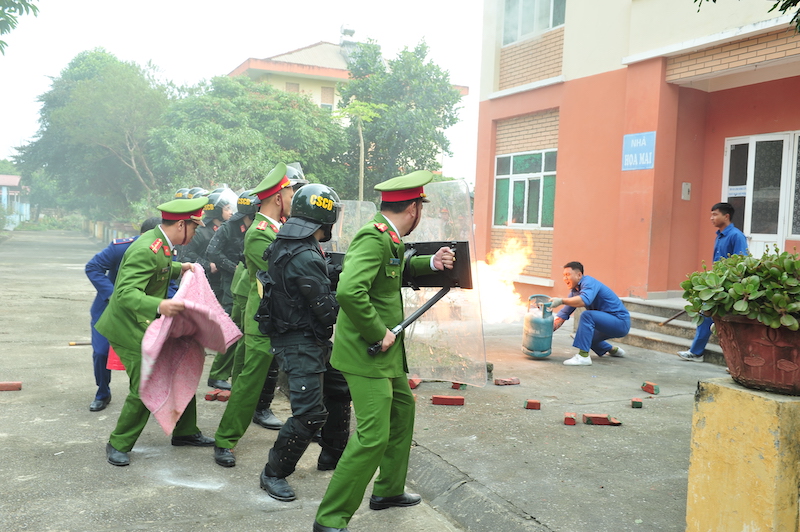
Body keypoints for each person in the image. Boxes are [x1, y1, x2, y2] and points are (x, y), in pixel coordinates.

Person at [313, 170, 455, 532]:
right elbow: (349, 290)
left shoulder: (388, 237)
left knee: (402, 414)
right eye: (420, 207)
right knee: (373, 435)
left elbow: (391, 270)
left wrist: (430, 263)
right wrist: (378, 332)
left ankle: (387, 491)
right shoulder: (373, 237)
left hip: (385, 353)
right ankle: (330, 518)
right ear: (413, 209)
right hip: (368, 351)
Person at [96, 196, 216, 467]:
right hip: (128, 327)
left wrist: (179, 268)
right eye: (194, 227)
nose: (196, 233)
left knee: (180, 367)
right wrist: (160, 304)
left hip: (147, 323)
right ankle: (118, 443)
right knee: (146, 385)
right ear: (182, 225)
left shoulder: (161, 243)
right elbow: (126, 293)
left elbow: (158, 268)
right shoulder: (146, 248)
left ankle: (185, 432)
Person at [256, 184, 351, 502]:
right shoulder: (306, 253)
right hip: (300, 342)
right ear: (325, 220)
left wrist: (330, 275)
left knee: (339, 389)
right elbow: (327, 314)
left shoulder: (285, 242)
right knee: (309, 413)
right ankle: (273, 473)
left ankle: (332, 455)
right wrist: (346, 287)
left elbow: (299, 286)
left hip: (298, 336)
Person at [213, 163, 296, 468]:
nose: (293, 197)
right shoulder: (260, 233)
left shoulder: (280, 227)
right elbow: (284, 267)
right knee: (250, 382)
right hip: (263, 319)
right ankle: (225, 440)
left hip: (279, 316)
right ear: (278, 198)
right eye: (290, 192)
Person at [84, 217, 161, 412]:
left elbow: (170, 282)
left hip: (143, 311)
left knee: (149, 355)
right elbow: (93, 267)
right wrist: (112, 295)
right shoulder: (121, 248)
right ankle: (102, 393)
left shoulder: (164, 251)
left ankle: (149, 396)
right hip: (109, 308)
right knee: (101, 352)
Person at [678, 202, 749, 362]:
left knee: (731, 324)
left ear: (726, 216)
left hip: (730, 288)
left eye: (715, 214)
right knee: (705, 315)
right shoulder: (719, 235)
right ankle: (696, 352)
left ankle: (737, 361)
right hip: (716, 286)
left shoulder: (736, 236)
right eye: (711, 214)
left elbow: (742, 262)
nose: (711, 218)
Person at [550, 261, 631, 366]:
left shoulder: (589, 282)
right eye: (563, 276)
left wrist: (561, 300)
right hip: (607, 324)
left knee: (587, 315)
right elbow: (563, 315)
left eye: (568, 275)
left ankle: (583, 357)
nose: (565, 279)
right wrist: (544, 331)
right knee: (585, 338)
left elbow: (584, 300)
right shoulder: (575, 291)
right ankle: (613, 350)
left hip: (620, 322)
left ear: (579, 275)